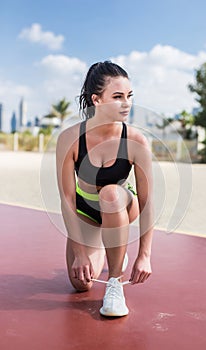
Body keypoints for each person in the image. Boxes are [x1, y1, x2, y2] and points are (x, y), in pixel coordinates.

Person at [56, 61, 154, 317]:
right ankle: (110, 249)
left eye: (129, 96)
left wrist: (145, 255)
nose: (126, 104)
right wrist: (79, 253)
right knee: (80, 284)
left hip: (121, 204)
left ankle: (115, 283)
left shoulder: (136, 140)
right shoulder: (70, 139)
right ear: (97, 100)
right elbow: (67, 200)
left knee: (110, 193)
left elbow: (147, 202)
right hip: (86, 210)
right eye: (118, 96)